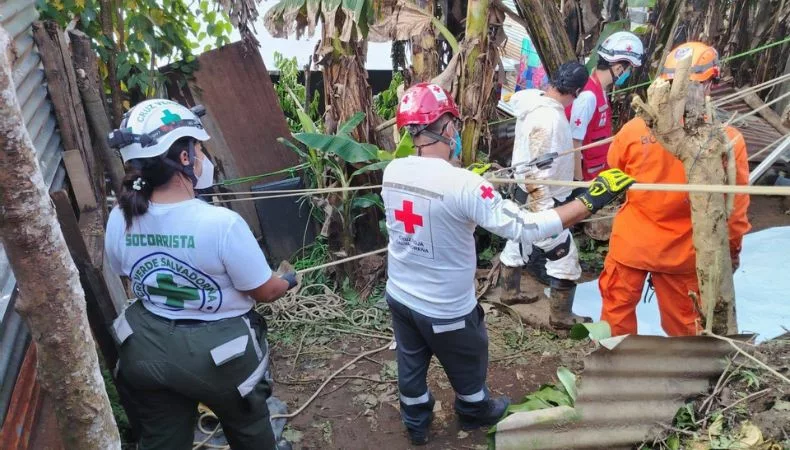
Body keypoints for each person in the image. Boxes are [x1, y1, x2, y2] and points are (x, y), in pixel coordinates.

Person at [383, 82, 636, 445]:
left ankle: (416, 422)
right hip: (445, 309)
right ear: (446, 127)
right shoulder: (465, 185)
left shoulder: (393, 173)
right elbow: (526, 226)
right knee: (469, 358)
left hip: (400, 297)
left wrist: (475, 190)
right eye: (453, 123)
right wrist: (589, 202)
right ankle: (473, 409)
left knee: (410, 363)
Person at [104, 99, 298, 450]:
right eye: (196, 147)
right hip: (219, 358)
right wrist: (287, 280)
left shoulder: (120, 215)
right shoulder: (220, 223)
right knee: (250, 429)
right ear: (182, 158)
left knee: (162, 440)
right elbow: (264, 291)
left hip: (145, 349)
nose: (200, 156)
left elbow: (126, 274)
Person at [599, 42, 751, 337]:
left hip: (633, 243)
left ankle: (613, 370)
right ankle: (688, 374)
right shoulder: (728, 141)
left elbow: (613, 173)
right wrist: (731, 251)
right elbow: (734, 208)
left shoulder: (634, 130)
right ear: (710, 84)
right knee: (686, 326)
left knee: (615, 316)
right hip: (685, 252)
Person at [499, 61, 593, 329]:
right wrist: (548, 213)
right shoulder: (549, 120)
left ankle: (509, 292)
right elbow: (537, 172)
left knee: (517, 241)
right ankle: (561, 317)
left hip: (521, 193)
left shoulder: (532, 102)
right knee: (564, 254)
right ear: (575, 91)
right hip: (539, 197)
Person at [566, 31, 645, 181]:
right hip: (584, 177)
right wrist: (578, 181)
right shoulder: (588, 97)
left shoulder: (600, 91)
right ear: (618, 69)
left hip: (595, 172)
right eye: (628, 70)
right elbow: (575, 142)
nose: (627, 74)